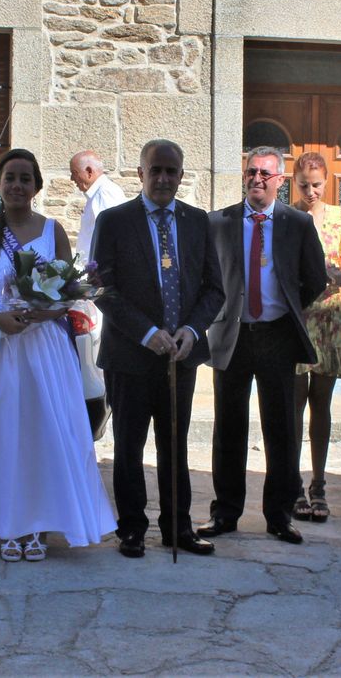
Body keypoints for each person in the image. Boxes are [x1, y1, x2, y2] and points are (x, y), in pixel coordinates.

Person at [0, 148, 116, 561]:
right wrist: (0, 319)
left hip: (43, 344)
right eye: (10, 177)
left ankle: (38, 525)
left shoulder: (52, 230)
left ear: (37, 186)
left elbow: (68, 289)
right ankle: (1, 524)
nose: (17, 185)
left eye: (25, 178)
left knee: (42, 433)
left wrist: (51, 311)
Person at [93, 139, 224, 559]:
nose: (164, 178)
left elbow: (213, 289)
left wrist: (192, 329)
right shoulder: (114, 221)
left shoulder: (196, 221)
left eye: (172, 171)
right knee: (129, 446)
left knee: (175, 444)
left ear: (182, 176)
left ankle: (176, 527)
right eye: (156, 170)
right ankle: (131, 528)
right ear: (141, 173)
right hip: (130, 355)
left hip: (179, 357)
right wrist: (146, 332)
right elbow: (102, 288)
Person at [197, 147, 328, 545]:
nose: (257, 178)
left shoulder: (297, 223)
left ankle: (279, 514)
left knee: (281, 428)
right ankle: (226, 513)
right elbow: (207, 278)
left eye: (265, 174)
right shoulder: (217, 222)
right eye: (251, 171)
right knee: (229, 428)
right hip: (233, 336)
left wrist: (286, 308)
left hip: (276, 336)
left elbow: (315, 278)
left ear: (280, 181)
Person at [286, 151, 341, 523]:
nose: (311, 191)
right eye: (304, 185)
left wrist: (337, 276)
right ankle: (294, 484)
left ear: (327, 181)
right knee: (293, 406)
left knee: (322, 405)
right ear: (294, 182)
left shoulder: (340, 217)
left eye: (317, 185)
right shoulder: (286, 217)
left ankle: (319, 483)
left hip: (329, 321)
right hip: (296, 321)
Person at [70, 150, 126, 261]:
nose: (72, 178)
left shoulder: (105, 193)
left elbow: (114, 238)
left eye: (74, 173)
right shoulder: (97, 194)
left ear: (89, 172)